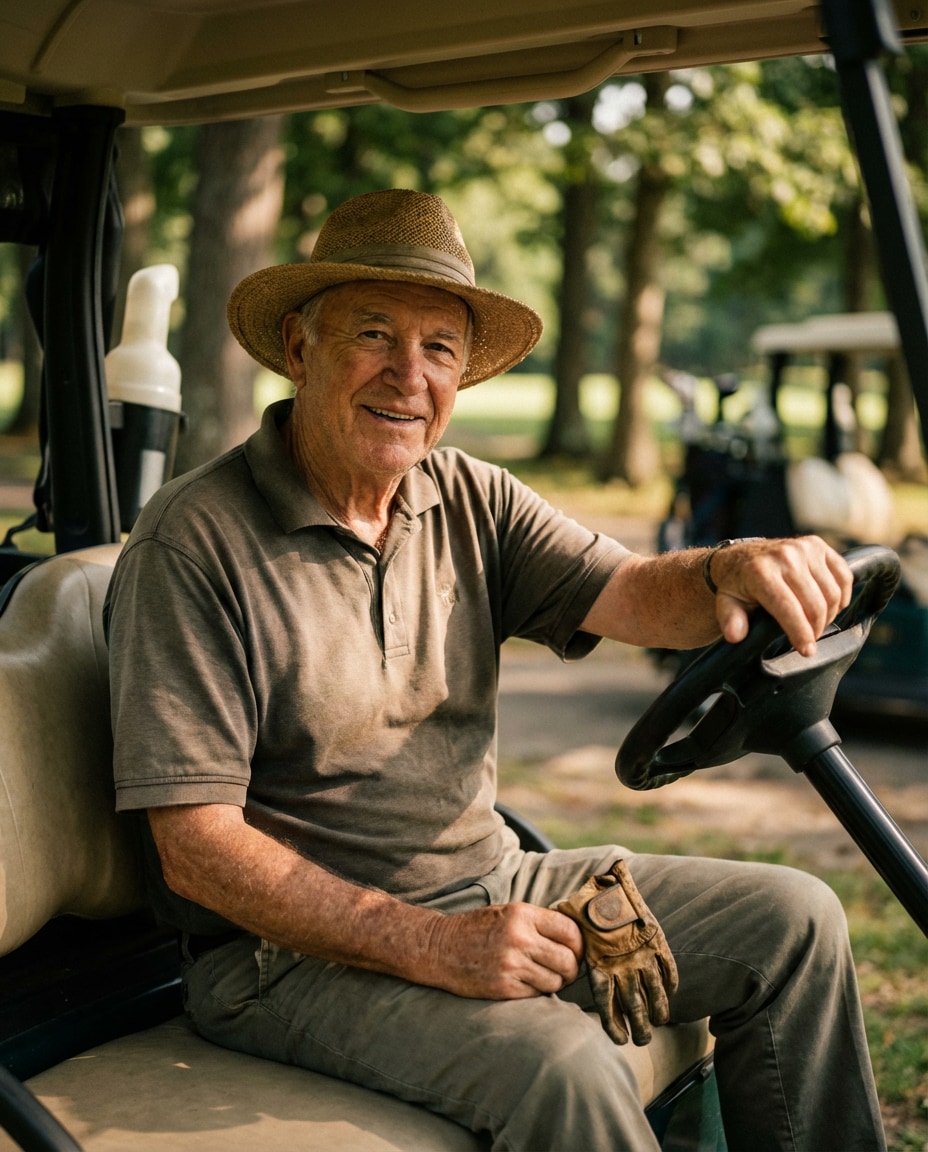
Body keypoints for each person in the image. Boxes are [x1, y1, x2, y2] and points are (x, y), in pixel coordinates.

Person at [104, 188, 885, 1152]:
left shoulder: (469, 497)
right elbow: (195, 845)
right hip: (282, 961)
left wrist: (731, 565)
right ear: (299, 351)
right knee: (570, 1068)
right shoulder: (193, 544)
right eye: (375, 334)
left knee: (798, 921)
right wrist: (432, 944)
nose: (409, 373)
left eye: (440, 348)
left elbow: (635, 590)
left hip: (495, 877)